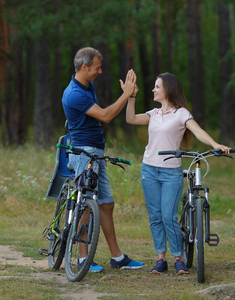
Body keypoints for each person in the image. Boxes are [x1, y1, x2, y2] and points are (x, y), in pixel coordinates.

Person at [125, 72, 231, 275]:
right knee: (155, 216)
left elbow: (198, 131)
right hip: (149, 169)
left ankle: (178, 259)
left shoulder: (181, 113)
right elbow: (130, 119)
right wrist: (131, 96)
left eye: (157, 86)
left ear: (168, 89)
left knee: (168, 216)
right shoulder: (154, 114)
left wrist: (215, 144)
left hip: (170, 172)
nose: (153, 90)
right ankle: (160, 260)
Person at [62, 47, 144, 272]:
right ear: (84, 67)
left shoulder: (88, 86)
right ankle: (82, 259)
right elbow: (106, 116)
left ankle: (117, 257)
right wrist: (126, 94)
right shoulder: (75, 93)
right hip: (84, 153)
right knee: (86, 206)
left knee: (106, 204)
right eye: (97, 67)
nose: (100, 71)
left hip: (96, 151)